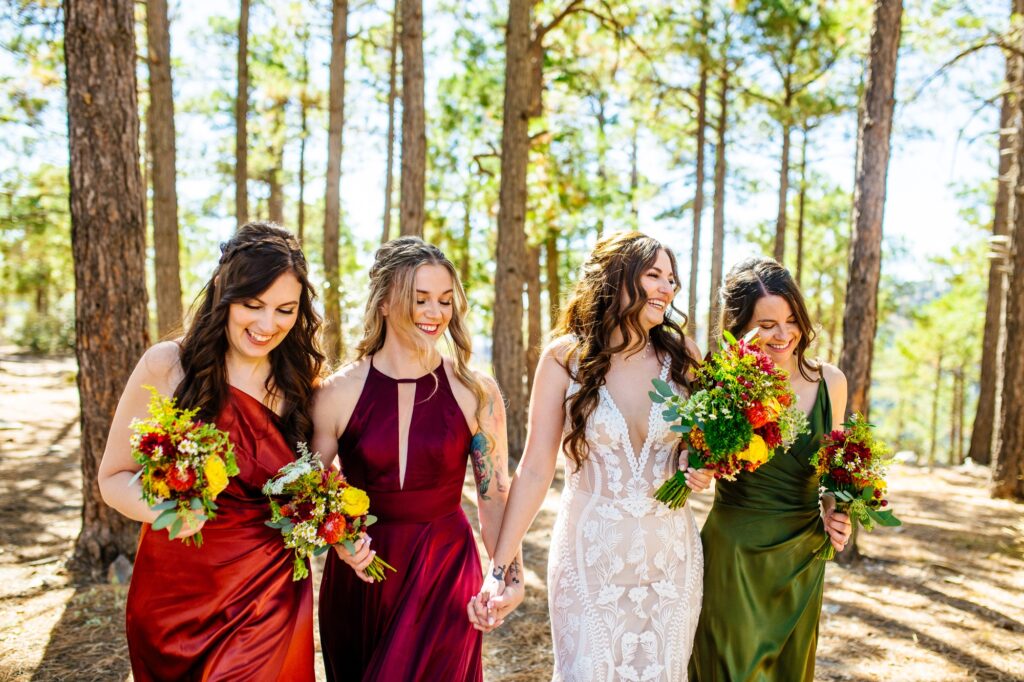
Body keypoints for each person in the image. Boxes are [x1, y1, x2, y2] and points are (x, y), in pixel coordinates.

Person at [476, 231, 713, 681]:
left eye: (672, 280)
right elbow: (534, 469)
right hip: (591, 560)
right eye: (654, 275)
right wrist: (500, 567)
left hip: (671, 561)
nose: (667, 288)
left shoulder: (684, 358)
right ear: (616, 278)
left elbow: (702, 454)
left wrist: (700, 469)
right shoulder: (565, 358)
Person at [98, 222, 325, 681]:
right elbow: (112, 478)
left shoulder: (304, 383)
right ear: (224, 291)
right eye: (252, 305)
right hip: (174, 593)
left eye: (285, 309)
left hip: (267, 596)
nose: (267, 325)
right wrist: (167, 509)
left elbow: (315, 491)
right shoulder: (167, 365)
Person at [314, 237, 517, 682]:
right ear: (384, 302)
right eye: (419, 298)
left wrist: (506, 575)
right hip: (362, 575)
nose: (435, 312)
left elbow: (496, 496)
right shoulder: (337, 391)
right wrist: (341, 542)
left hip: (445, 570)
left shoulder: (475, 391)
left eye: (445, 300)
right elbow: (308, 489)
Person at [689, 256, 853, 681]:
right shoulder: (720, 380)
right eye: (766, 325)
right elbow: (699, 463)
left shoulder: (831, 382)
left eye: (791, 319)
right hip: (735, 554)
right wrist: (700, 472)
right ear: (740, 328)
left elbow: (832, 473)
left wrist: (839, 512)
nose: (784, 335)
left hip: (803, 556)